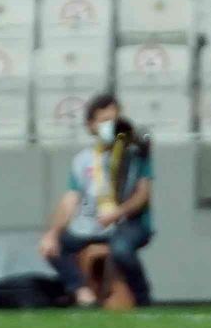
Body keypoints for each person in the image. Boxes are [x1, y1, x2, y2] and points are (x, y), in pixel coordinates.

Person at [38, 93, 154, 307]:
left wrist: (117, 213)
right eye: (104, 121)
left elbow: (143, 195)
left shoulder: (135, 153)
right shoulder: (82, 160)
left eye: (114, 120)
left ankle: (143, 298)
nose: (111, 126)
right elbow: (70, 200)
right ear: (91, 125)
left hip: (129, 223)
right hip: (93, 224)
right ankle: (81, 291)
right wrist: (52, 233)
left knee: (121, 250)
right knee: (53, 245)